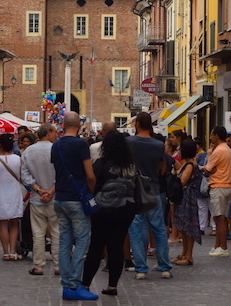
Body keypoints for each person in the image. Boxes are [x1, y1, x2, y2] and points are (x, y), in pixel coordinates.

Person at [81, 130, 137, 295]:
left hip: (103, 209)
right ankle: (112, 285)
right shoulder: (131, 165)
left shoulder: (99, 163)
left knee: (97, 245)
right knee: (116, 246)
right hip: (126, 209)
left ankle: (85, 284)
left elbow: (91, 181)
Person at [52, 111, 98, 301]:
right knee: (81, 241)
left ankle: (65, 284)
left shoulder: (56, 145)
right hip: (76, 199)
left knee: (64, 242)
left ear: (63, 125)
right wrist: (91, 191)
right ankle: (74, 284)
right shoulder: (80, 144)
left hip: (60, 198)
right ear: (79, 125)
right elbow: (90, 175)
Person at [126, 112, 172, 280]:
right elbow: (162, 169)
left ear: (137, 124)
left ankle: (140, 268)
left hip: (134, 189)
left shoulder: (128, 143)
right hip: (153, 188)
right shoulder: (157, 145)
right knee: (159, 228)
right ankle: (164, 266)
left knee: (136, 230)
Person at [21, 122, 60, 276]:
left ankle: (39, 265)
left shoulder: (28, 151)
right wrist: (50, 191)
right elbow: (61, 173)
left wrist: (38, 189)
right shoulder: (56, 149)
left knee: (38, 233)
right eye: (54, 132)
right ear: (48, 132)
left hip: (37, 197)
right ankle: (58, 265)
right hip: (54, 197)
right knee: (57, 232)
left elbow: (24, 174)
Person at [0, 132, 25, 260]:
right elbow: (21, 176)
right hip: (14, 192)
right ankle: (12, 251)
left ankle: (5, 252)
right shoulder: (18, 159)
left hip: (0, 193)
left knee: (3, 223)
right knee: (14, 223)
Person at [205, 126, 231, 257]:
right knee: (221, 218)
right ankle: (218, 245)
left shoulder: (218, 151)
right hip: (227, 185)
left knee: (219, 218)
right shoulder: (227, 149)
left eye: (212, 134)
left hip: (219, 186)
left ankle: (223, 247)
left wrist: (209, 155)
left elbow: (208, 169)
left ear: (216, 136)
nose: (210, 137)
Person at [172, 139, 202, 265]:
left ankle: (189, 255)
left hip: (188, 199)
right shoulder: (186, 164)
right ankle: (184, 253)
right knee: (183, 227)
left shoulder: (190, 165)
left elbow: (183, 181)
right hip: (184, 198)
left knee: (188, 227)